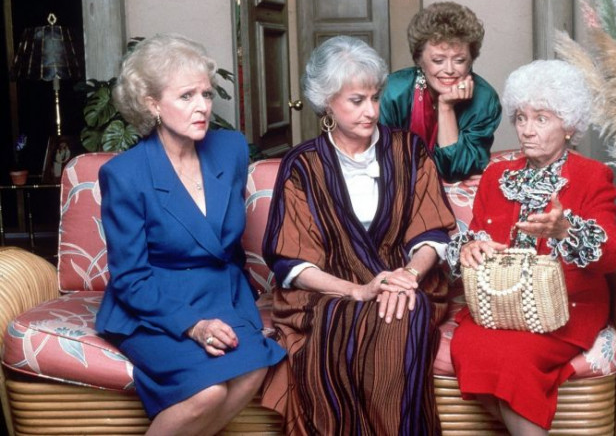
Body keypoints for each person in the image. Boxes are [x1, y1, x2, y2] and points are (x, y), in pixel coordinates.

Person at [261, 35, 457, 435]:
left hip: (405, 282)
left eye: (375, 98)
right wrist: (358, 290)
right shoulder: (303, 165)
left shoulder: (409, 150)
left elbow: (432, 231)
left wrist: (408, 277)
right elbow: (292, 261)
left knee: (401, 315)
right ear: (326, 102)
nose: (371, 111)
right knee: (341, 323)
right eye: (356, 100)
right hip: (331, 290)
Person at [94, 33, 285, 436]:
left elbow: (227, 246)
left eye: (206, 94)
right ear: (152, 104)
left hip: (221, 294)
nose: (202, 106)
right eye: (186, 96)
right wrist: (193, 325)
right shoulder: (124, 174)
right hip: (154, 305)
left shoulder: (230, 149)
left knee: (254, 368)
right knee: (207, 393)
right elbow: (130, 278)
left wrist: (240, 301)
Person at [448, 60, 616, 435]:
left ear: (569, 125)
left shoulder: (592, 175)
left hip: (565, 310)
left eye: (541, 119)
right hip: (500, 306)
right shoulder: (497, 174)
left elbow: (612, 255)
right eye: (521, 118)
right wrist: (471, 247)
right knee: (469, 348)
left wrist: (566, 230)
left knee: (514, 358)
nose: (527, 130)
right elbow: (476, 233)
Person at [380, 1, 502, 182]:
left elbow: (458, 171)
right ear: (419, 61)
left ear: (471, 61)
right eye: (438, 60)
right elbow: (384, 162)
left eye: (459, 60)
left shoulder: (485, 100)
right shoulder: (392, 93)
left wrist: (446, 107)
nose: (449, 70)